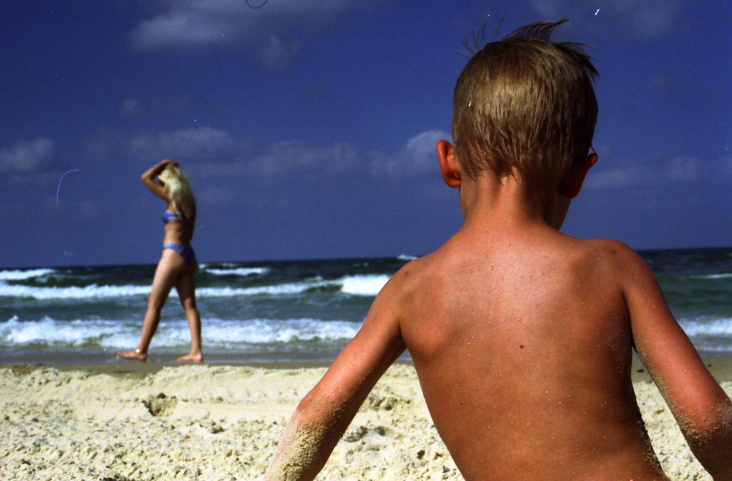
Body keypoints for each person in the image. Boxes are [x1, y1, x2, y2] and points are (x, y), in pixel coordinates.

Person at [265, 19, 732, 480]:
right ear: (578, 174)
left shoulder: (410, 289)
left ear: (449, 163)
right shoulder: (611, 266)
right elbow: (707, 419)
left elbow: (315, 419)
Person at [117, 159, 204, 363]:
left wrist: (164, 163)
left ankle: (141, 350)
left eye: (163, 182)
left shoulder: (171, 198)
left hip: (172, 253)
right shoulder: (190, 202)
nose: (161, 185)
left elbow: (145, 177)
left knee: (154, 304)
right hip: (188, 254)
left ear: (169, 183)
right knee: (189, 304)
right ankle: (196, 351)